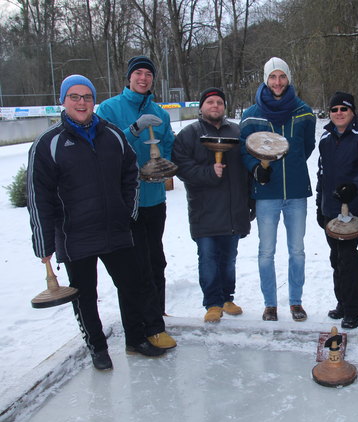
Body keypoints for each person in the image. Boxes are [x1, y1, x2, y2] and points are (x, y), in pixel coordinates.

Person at [26, 75, 169, 370]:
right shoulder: (48, 143)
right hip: (74, 234)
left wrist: (127, 212)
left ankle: (136, 338)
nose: (81, 102)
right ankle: (97, 347)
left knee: (132, 285)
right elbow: (38, 195)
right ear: (63, 101)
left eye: (87, 97)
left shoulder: (112, 135)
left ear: (94, 101)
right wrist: (44, 242)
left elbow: (131, 174)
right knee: (85, 295)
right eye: (75, 97)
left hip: (116, 229)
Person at [97, 56, 175, 349]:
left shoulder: (160, 113)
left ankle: (157, 318)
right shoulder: (109, 109)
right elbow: (105, 151)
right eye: (138, 73)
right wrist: (134, 129)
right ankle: (143, 328)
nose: (143, 78)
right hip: (126, 203)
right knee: (135, 268)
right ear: (129, 77)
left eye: (148, 74)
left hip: (154, 200)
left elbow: (166, 146)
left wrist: (164, 164)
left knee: (156, 262)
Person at [239, 57, 316, 322]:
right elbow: (244, 148)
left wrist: (291, 168)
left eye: (282, 76)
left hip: (295, 193)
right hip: (266, 194)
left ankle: (296, 302)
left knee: (297, 250)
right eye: (273, 77)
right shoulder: (251, 115)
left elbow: (307, 147)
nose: (278, 82)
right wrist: (255, 168)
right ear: (265, 79)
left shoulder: (304, 111)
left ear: (289, 78)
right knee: (266, 252)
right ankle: (270, 303)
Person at [172, 87, 251, 323]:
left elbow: (247, 169)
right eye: (210, 102)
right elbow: (181, 167)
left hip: (233, 210)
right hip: (204, 211)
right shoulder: (189, 134)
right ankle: (212, 303)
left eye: (219, 102)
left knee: (229, 260)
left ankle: (227, 297)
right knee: (208, 258)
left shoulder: (237, 132)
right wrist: (208, 172)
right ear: (201, 107)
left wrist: (250, 203)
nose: (215, 106)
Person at [316, 92, 358, 329]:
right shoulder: (325, 137)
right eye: (334, 110)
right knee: (336, 257)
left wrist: (354, 186)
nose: (339, 113)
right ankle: (343, 302)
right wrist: (319, 205)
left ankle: (354, 309)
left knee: (347, 256)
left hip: (354, 207)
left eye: (344, 109)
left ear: (352, 111)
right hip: (330, 208)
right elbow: (321, 173)